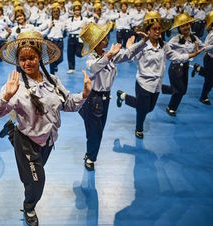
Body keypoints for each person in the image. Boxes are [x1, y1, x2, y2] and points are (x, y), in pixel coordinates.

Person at [0, 30, 91, 226]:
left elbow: (69, 103)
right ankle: (29, 207)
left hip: (48, 141)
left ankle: (11, 130)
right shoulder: (15, 86)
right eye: (23, 59)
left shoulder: (53, 81)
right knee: (35, 182)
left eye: (32, 58)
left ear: (40, 58)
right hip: (27, 142)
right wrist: (6, 97)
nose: (27, 63)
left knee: (35, 171)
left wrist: (84, 94)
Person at [116, 11, 201, 139]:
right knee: (143, 110)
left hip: (157, 85)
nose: (157, 31)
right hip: (143, 84)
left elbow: (175, 56)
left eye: (159, 29)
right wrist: (130, 46)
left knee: (149, 108)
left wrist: (191, 55)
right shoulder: (142, 46)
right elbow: (128, 57)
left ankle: (123, 96)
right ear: (148, 31)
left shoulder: (164, 46)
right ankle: (139, 128)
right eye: (154, 29)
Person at [79, 21, 148, 170]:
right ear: (96, 43)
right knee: (95, 132)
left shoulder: (107, 55)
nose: (106, 40)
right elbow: (95, 67)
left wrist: (144, 42)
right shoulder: (91, 59)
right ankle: (90, 157)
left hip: (105, 98)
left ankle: (90, 153)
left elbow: (128, 54)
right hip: (94, 98)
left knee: (98, 130)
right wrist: (109, 55)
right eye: (103, 38)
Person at [165, 12, 207, 116]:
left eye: (187, 24)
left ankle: (162, 88)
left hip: (185, 67)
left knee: (183, 91)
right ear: (179, 28)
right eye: (183, 26)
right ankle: (171, 107)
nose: (186, 27)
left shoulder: (194, 38)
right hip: (175, 67)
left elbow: (204, 47)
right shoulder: (175, 39)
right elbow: (166, 50)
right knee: (180, 90)